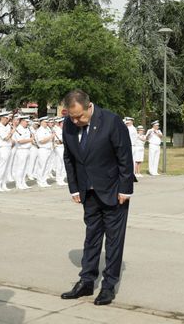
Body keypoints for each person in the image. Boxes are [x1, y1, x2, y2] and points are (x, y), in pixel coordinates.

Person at [60, 89, 134, 306]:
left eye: (79, 116)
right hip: (88, 192)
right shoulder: (69, 124)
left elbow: (124, 156)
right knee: (91, 237)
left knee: (113, 240)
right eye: (71, 116)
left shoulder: (111, 121)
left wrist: (125, 188)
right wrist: (74, 188)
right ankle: (86, 281)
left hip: (113, 191)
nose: (75, 121)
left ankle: (109, 285)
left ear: (89, 106)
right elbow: (69, 158)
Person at [0, 111, 14, 192]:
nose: (7, 120)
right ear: (2, 118)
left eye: (8, 118)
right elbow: (5, 138)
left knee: (6, 168)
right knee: (1, 168)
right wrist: (12, 131)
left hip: (8, 148)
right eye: (6, 118)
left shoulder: (6, 126)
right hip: (3, 148)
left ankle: (3, 184)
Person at [12, 116, 33, 190]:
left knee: (25, 168)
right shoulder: (19, 129)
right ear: (22, 121)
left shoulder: (27, 129)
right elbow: (20, 141)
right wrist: (30, 139)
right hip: (21, 150)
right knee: (20, 168)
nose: (27, 123)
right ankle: (18, 183)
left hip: (27, 150)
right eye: (26, 122)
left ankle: (23, 182)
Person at [34, 117, 53, 187]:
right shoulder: (40, 130)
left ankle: (44, 180)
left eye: (47, 122)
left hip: (48, 149)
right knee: (42, 166)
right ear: (41, 122)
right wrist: (50, 137)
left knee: (47, 166)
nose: (47, 123)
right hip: (43, 149)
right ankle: (40, 181)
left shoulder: (47, 129)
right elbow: (41, 141)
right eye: (45, 122)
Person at [53, 117, 68, 186]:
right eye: (62, 123)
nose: (64, 124)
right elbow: (57, 141)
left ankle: (61, 178)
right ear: (59, 124)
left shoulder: (64, 130)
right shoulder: (57, 131)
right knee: (60, 164)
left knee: (62, 164)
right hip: (59, 148)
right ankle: (59, 179)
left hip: (63, 147)